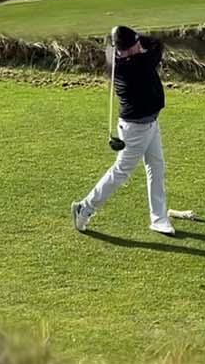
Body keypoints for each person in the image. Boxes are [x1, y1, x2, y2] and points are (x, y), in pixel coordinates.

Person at [71, 25, 174, 235]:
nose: (139, 47)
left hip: (149, 123)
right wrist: (138, 40)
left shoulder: (119, 56)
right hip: (137, 128)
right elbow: (157, 45)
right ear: (124, 50)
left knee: (156, 166)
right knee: (121, 171)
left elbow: (149, 45)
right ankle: (85, 207)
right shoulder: (134, 66)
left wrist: (125, 37)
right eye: (135, 46)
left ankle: (159, 218)